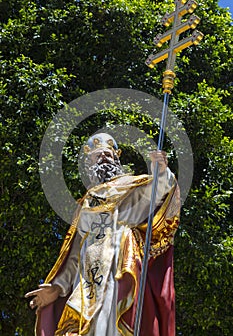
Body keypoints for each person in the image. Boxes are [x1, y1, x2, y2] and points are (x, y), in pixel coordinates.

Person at [25, 133, 180, 336]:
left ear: (117, 158)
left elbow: (160, 192)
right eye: (98, 156)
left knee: (109, 322)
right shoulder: (85, 204)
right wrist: (57, 288)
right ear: (89, 162)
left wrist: (161, 172)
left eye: (108, 155)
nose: (104, 158)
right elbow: (73, 257)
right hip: (87, 278)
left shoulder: (131, 187)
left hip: (117, 266)